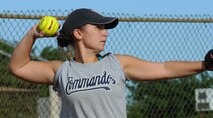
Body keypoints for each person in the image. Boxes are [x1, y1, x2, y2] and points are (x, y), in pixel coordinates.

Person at [8, 8, 213, 118]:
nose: (105, 32)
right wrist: (32, 34)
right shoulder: (61, 70)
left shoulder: (117, 64)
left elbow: (165, 68)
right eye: (98, 27)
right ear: (78, 33)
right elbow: (18, 66)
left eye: (105, 28)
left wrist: (204, 64)